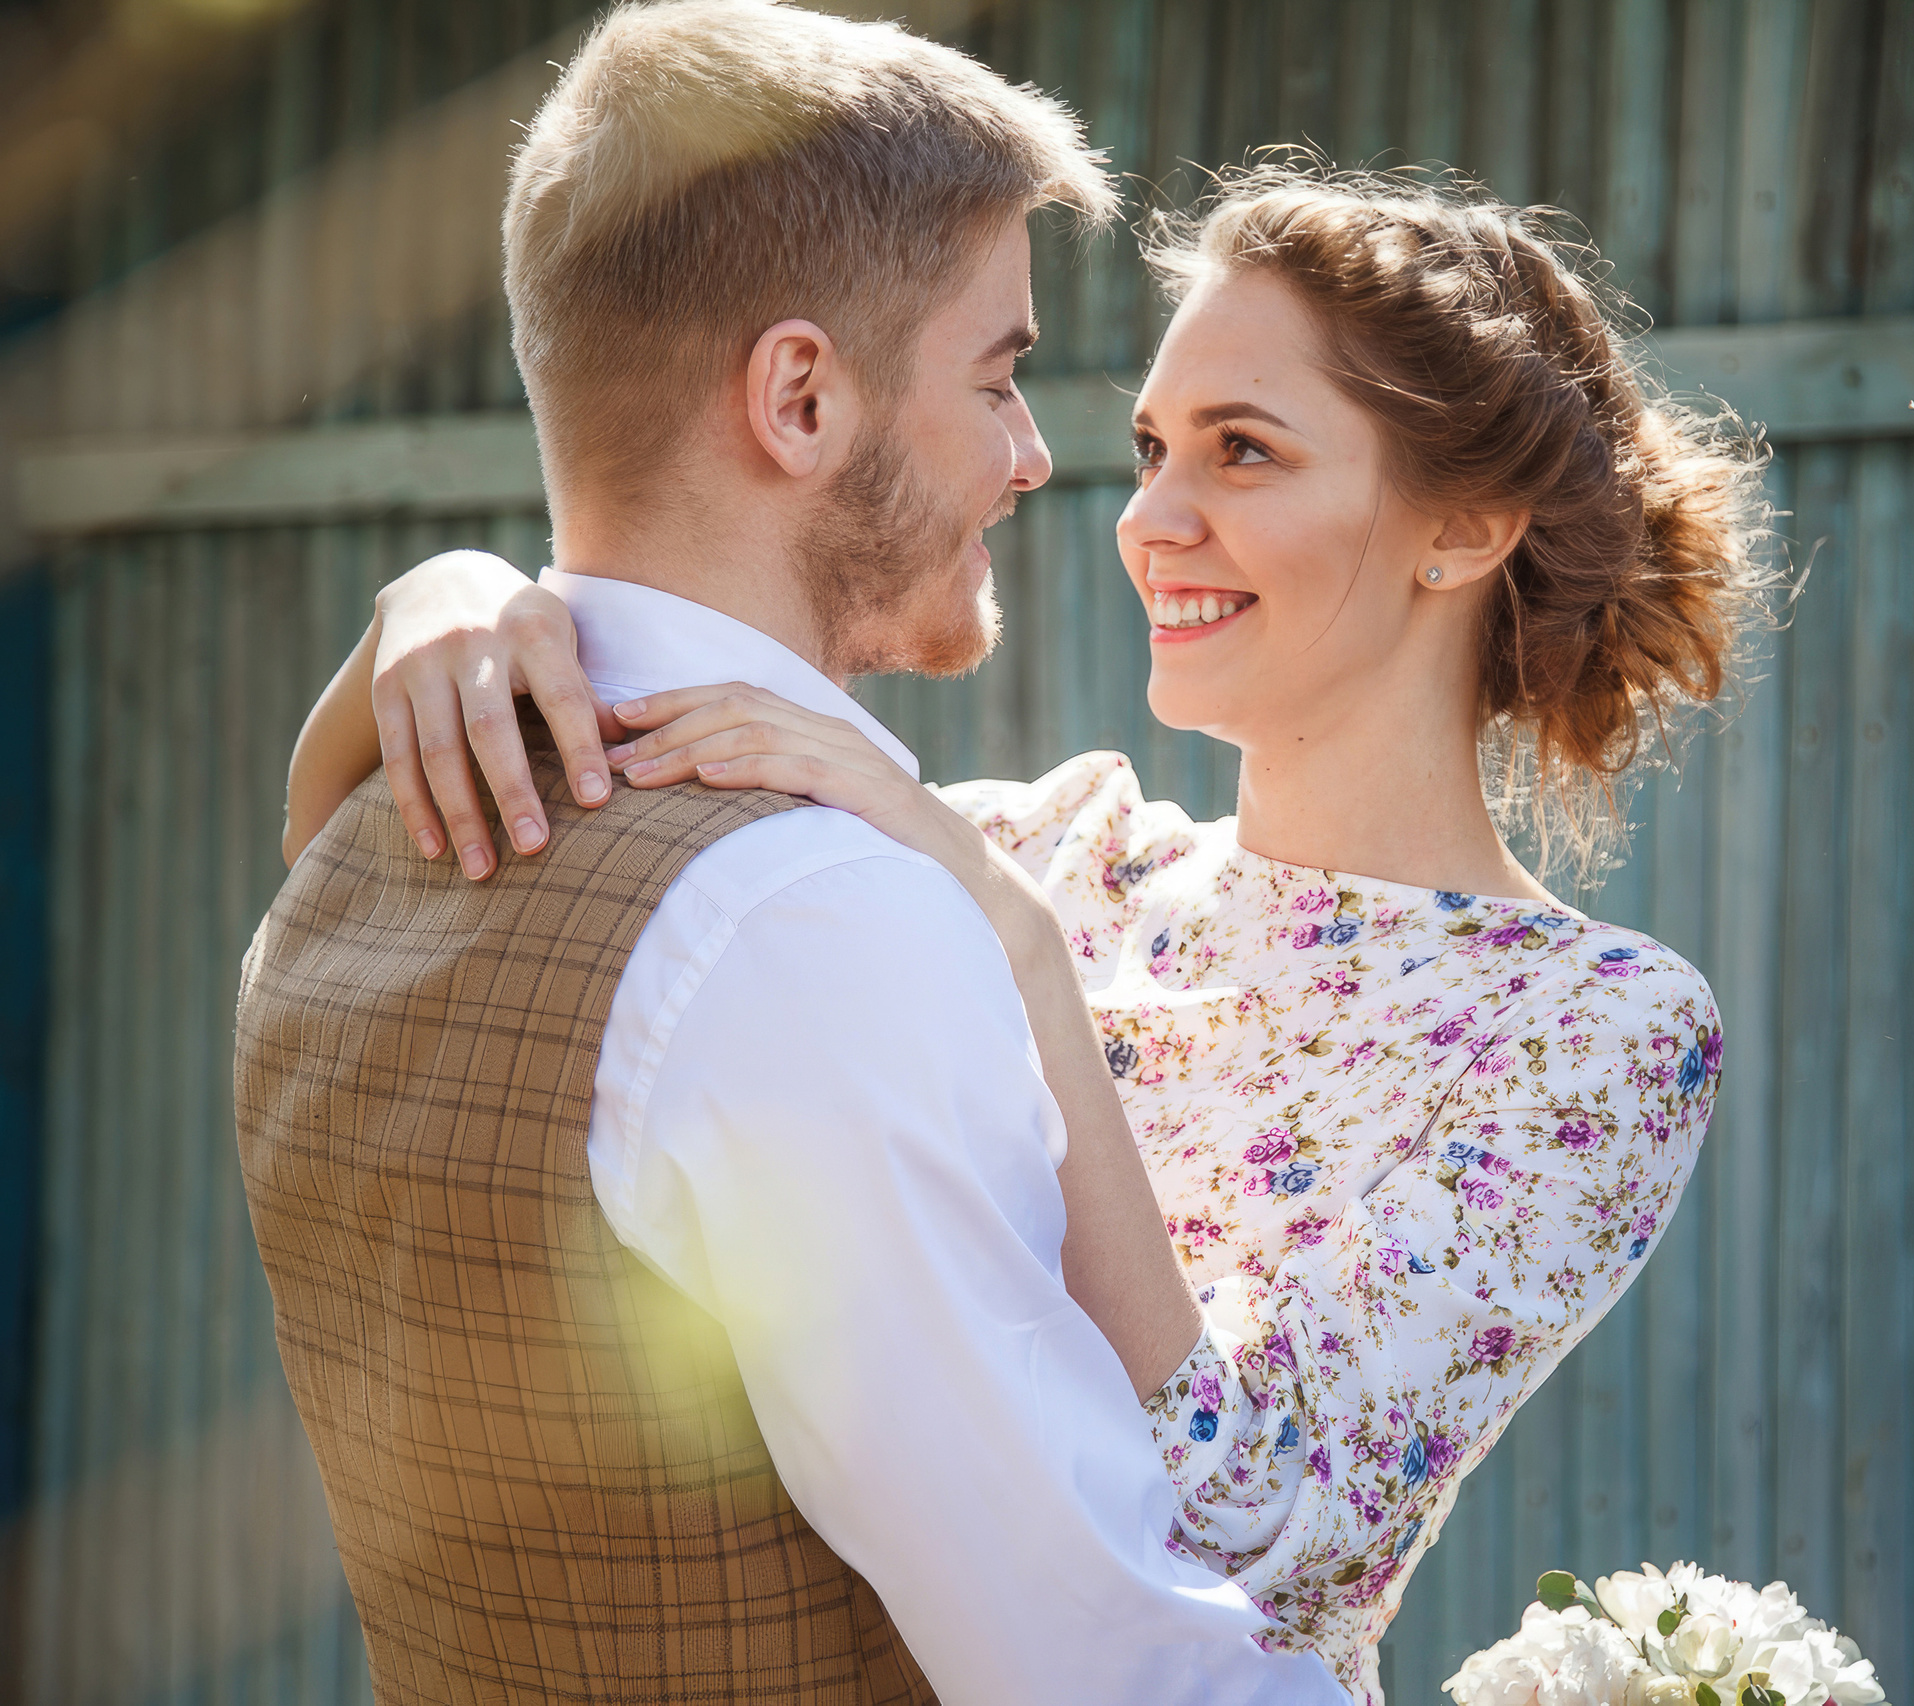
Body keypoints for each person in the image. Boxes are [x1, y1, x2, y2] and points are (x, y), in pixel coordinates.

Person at [288, 168, 1772, 1703]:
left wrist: (1025, 960)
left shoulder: (1593, 1031)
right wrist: (448, 602)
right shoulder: (1045, 839)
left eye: (1241, 452)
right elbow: (395, 847)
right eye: (1150, 448)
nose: (1147, 518)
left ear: (1462, 529)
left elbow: (1259, 1530)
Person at [236, 5, 1350, 1702]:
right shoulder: (809, 923)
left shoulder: (348, 854)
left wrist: (437, 588)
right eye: (997, 374)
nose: (1035, 456)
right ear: (802, 396)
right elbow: (1109, 1666)